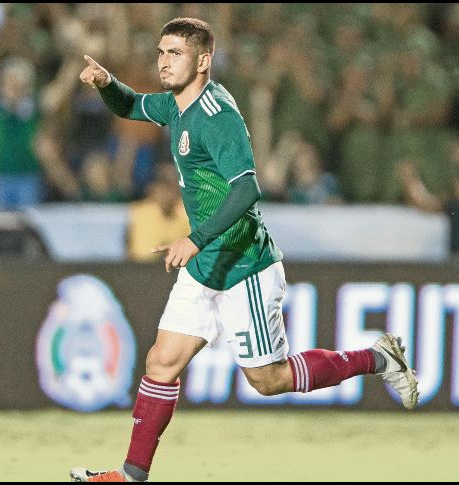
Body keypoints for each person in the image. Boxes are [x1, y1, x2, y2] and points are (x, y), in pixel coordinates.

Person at [70, 18, 420, 483]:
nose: (163, 61)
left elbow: (247, 190)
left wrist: (193, 238)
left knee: (268, 380)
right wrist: (106, 83)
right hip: (206, 264)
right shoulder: (177, 105)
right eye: (161, 52)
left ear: (203, 60)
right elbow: (131, 105)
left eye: (174, 53)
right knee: (161, 361)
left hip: (244, 265)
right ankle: (131, 475)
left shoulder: (218, 116)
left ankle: (377, 357)